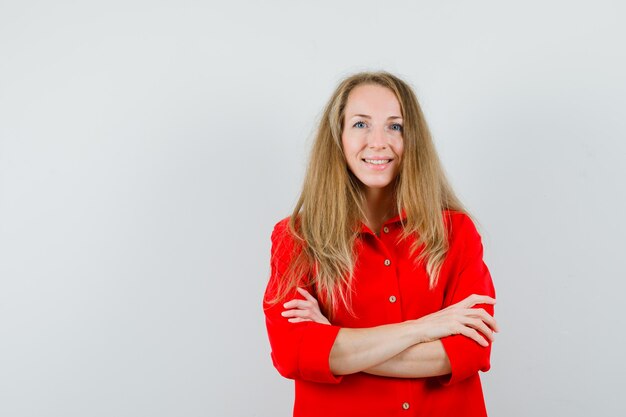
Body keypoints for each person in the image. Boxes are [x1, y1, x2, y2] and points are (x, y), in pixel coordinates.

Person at [262, 71, 498, 417]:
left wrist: (335, 342)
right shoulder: (296, 238)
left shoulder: (456, 232)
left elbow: (471, 350)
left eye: (395, 126)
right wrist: (424, 329)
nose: (378, 142)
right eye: (360, 125)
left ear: (412, 139)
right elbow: (292, 355)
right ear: (338, 137)